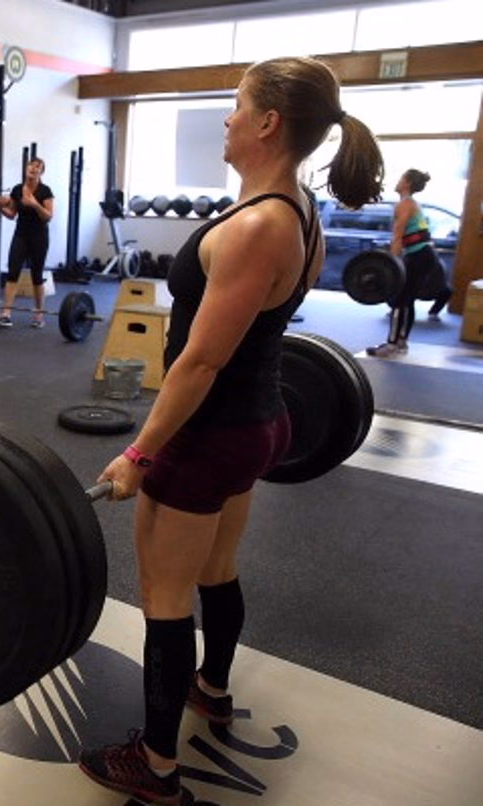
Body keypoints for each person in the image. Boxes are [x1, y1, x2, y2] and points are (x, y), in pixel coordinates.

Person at [77, 56, 383, 805]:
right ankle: (211, 686)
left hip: (210, 433)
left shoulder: (261, 225)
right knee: (217, 567)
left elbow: (201, 361)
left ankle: (154, 767)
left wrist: (141, 453)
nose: (227, 117)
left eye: (237, 105)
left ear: (269, 122)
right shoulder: (297, 210)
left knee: (164, 593)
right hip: (259, 422)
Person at [367, 168, 444, 355]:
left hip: (419, 256)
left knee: (400, 300)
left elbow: (397, 236)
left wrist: (392, 265)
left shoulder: (404, 204)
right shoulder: (411, 203)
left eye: (401, 178)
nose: (398, 181)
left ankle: (391, 344)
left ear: (407, 183)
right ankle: (401, 342)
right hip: (425, 256)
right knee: (408, 300)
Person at [0, 157, 54, 328]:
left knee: (36, 276)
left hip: (39, 236)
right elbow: (12, 213)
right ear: (26, 169)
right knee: (13, 272)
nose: (33, 169)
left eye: (37, 167)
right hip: (21, 235)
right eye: (31, 166)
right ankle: (5, 314)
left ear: (41, 172)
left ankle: (39, 315)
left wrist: (34, 204)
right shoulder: (17, 190)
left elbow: (48, 216)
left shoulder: (45, 191)